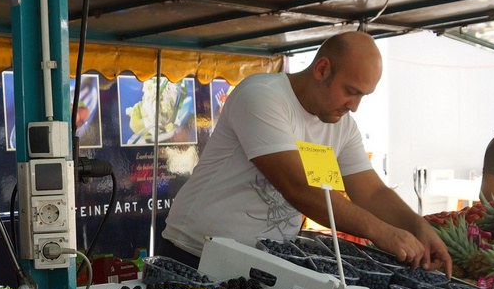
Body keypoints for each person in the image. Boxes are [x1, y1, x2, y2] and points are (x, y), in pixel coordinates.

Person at [162, 32, 451, 273]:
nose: (355, 105)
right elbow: (300, 189)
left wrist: (418, 226)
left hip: (263, 265)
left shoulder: (342, 126)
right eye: (351, 91)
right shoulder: (262, 96)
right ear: (322, 69)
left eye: (363, 95)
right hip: (194, 256)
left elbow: (372, 193)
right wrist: (380, 231)